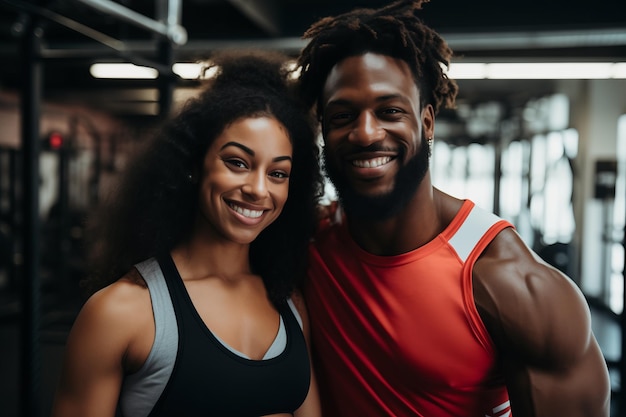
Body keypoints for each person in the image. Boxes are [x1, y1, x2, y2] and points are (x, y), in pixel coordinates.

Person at [296, 1, 611, 416]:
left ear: (427, 123)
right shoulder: (305, 242)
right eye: (342, 115)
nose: (366, 132)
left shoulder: (514, 287)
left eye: (390, 111)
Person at [51, 50, 323, 417]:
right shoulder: (121, 311)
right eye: (237, 163)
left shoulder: (289, 302)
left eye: (278, 173)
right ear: (195, 165)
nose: (259, 189)